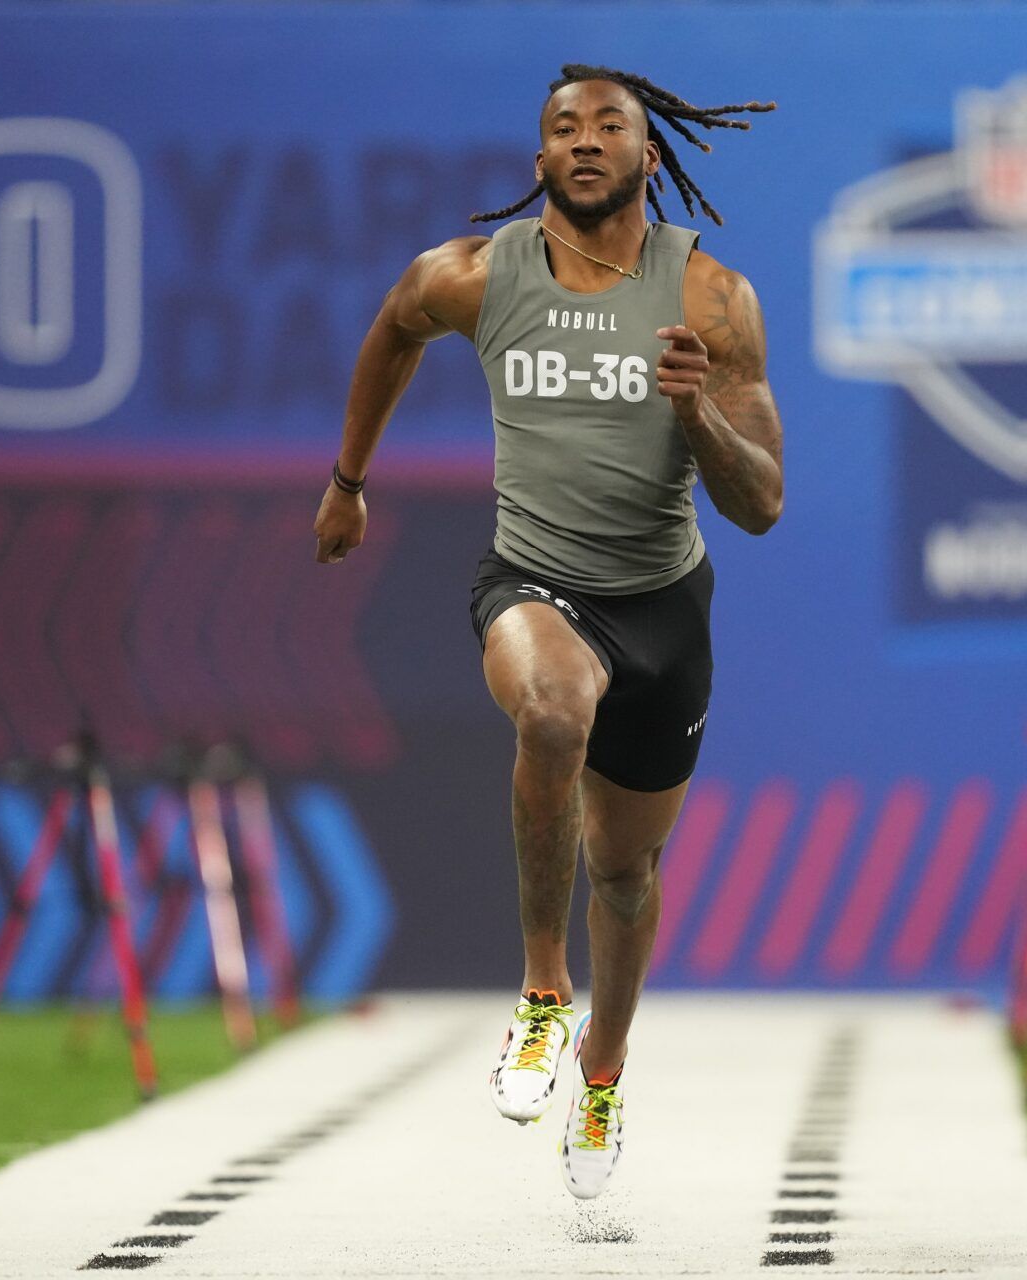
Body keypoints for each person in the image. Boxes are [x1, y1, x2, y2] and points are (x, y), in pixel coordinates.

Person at [312, 66, 781, 1197]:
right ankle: (538, 991)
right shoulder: (472, 274)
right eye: (562, 128)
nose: (583, 141)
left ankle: (604, 1077)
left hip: (664, 606)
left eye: (607, 126)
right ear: (537, 162)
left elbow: (761, 502)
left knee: (625, 869)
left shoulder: (711, 297)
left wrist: (694, 408)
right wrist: (348, 480)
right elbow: (390, 330)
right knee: (552, 705)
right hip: (532, 578)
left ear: (646, 156)